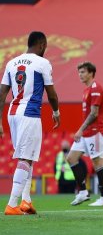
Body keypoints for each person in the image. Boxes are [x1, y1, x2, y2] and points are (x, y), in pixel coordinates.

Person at [0, 31, 60, 215]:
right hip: (30, 113)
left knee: (29, 157)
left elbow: (2, 94)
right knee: (25, 158)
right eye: (46, 47)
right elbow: (51, 93)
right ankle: (12, 204)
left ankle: (26, 201)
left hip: (12, 113)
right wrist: (56, 111)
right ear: (41, 45)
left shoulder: (11, 63)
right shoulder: (42, 63)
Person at [67, 61, 103, 207]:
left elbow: (94, 113)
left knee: (97, 162)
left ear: (91, 73)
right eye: (79, 72)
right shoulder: (86, 90)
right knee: (71, 158)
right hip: (86, 132)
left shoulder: (95, 88)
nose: (80, 74)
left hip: (96, 131)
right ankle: (83, 192)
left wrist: (80, 129)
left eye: (83, 72)